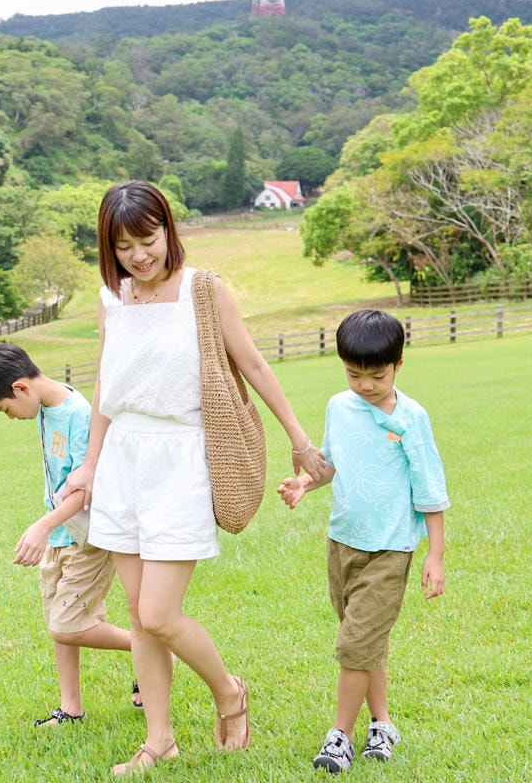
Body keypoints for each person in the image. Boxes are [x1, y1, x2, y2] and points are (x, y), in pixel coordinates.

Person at [62, 180, 327, 774]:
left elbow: (252, 362)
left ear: (168, 230)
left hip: (180, 459)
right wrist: (91, 462)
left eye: (148, 239)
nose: (139, 255)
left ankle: (229, 692)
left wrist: (299, 438)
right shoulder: (113, 297)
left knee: (157, 613)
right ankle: (160, 738)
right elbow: (108, 385)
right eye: (124, 245)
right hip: (124, 457)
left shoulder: (202, 291)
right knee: (135, 610)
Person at [277, 309, 448, 774]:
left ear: (399, 365)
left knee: (355, 644)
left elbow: (430, 489)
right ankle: (383, 724)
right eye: (355, 374)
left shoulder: (412, 418)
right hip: (343, 543)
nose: (366, 385)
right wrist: (306, 484)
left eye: (377, 375)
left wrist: (435, 554)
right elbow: (332, 463)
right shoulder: (339, 406)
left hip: (390, 548)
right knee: (365, 643)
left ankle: (340, 737)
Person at [0, 343, 140, 725]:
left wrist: (42, 526)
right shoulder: (46, 408)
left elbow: (84, 488)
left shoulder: (78, 414)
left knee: (68, 624)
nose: (11, 418)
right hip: (60, 534)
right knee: (57, 626)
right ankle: (71, 709)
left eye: (5, 410)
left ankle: (151, 648)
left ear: (20, 389)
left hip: (86, 537)